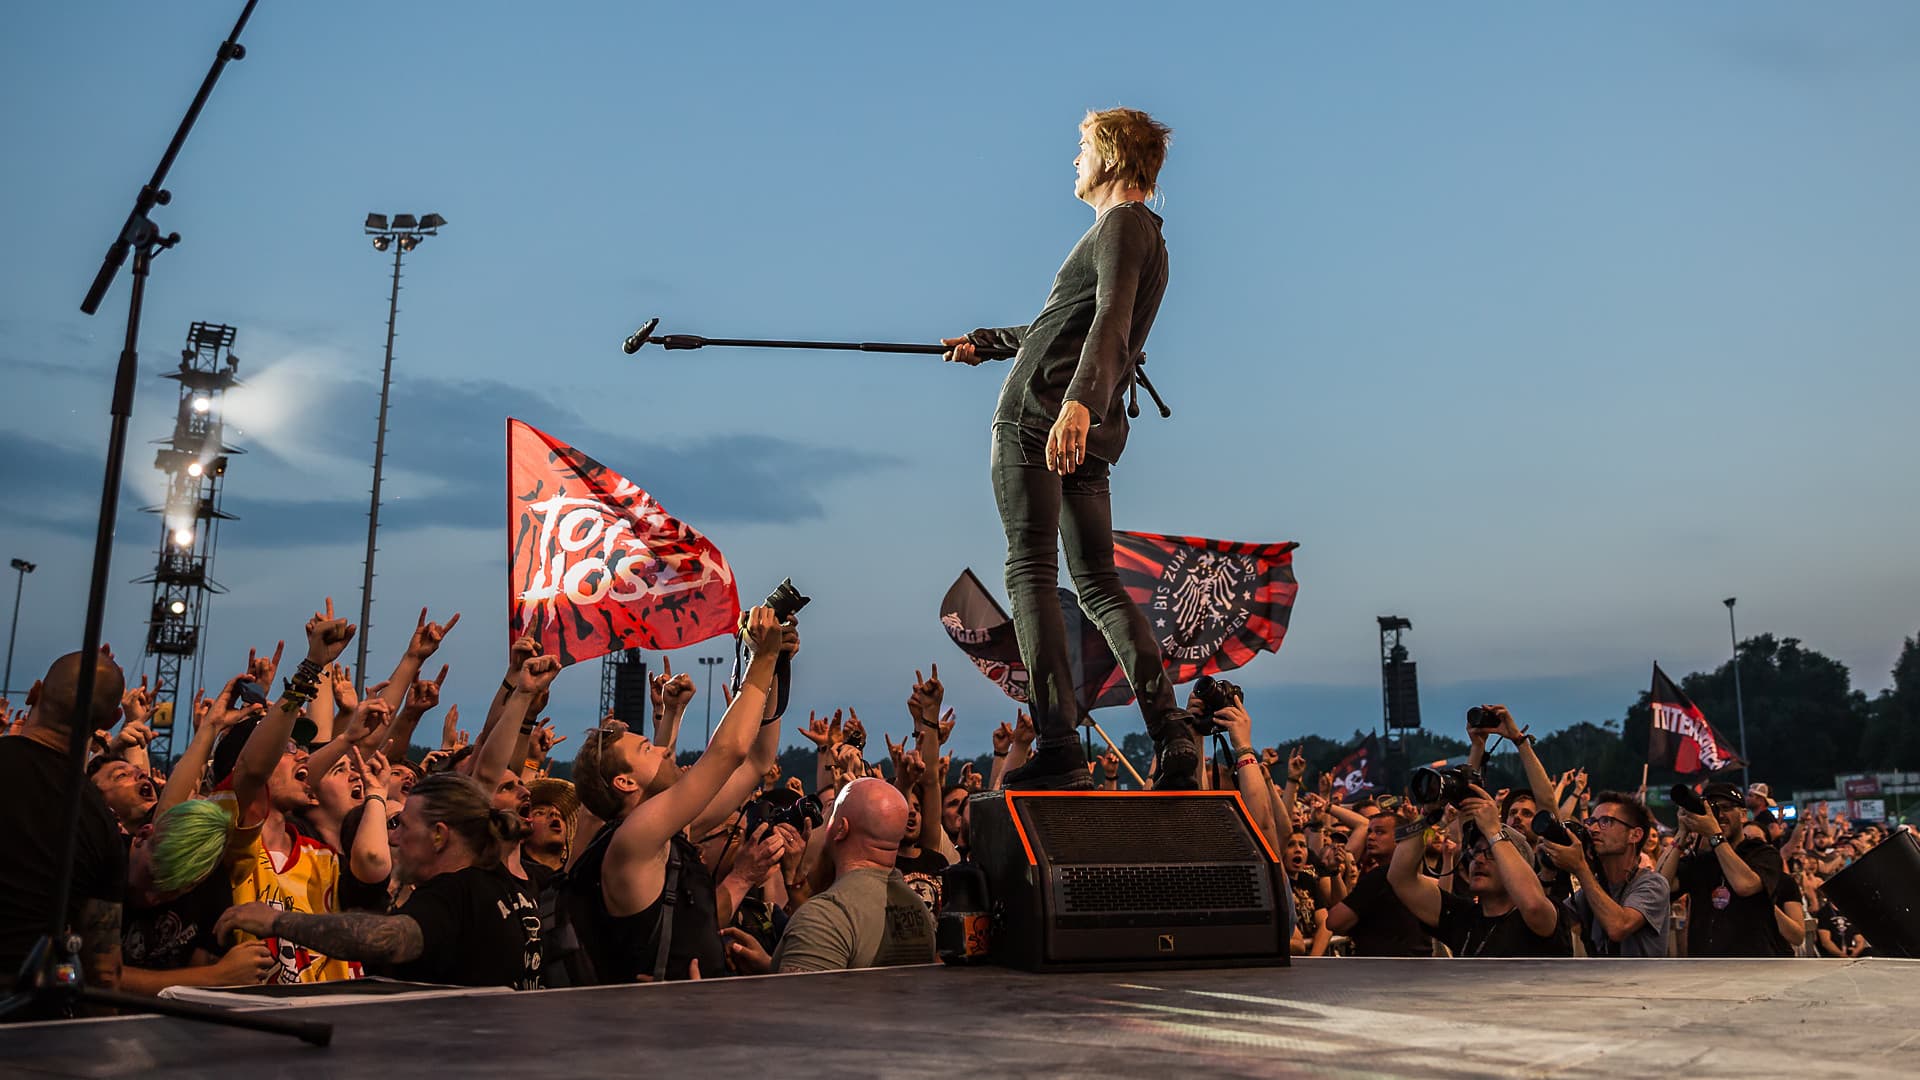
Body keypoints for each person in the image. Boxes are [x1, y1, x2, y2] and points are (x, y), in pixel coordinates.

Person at [943, 107, 1193, 790]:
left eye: (1082, 148)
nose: (1074, 162)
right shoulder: (1145, 235)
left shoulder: (1119, 224)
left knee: (1030, 573)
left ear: (1109, 156)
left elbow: (1110, 319)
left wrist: (1076, 402)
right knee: (1099, 584)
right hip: (1086, 424)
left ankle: (1058, 746)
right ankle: (1172, 734)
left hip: (1043, 419)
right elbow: (1070, 322)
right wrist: (988, 341)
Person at [560, 605, 791, 983]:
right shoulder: (632, 839)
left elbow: (756, 762)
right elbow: (728, 751)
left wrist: (777, 667)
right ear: (625, 783)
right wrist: (761, 657)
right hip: (651, 1032)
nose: (665, 749)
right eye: (646, 749)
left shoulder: (671, 833)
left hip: (686, 1021)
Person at [215, 773, 542, 989]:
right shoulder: (505, 885)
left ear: (439, 836)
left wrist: (277, 920)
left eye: (404, 826)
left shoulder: (455, 892)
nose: (394, 839)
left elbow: (388, 939)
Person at [0, 651, 129, 1010]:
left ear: (34, 692)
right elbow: (104, 972)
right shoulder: (99, 819)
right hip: (26, 1022)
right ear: (113, 719)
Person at [731, 778, 935, 974]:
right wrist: (771, 966)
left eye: (831, 816)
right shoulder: (918, 909)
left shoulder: (823, 917)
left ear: (841, 829)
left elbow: (796, 1003)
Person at [1389, 785, 1572, 958]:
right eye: (1476, 851)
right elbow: (1400, 878)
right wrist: (1428, 815)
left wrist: (1494, 831)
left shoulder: (1550, 912)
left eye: (1492, 853)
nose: (1479, 859)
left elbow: (1533, 906)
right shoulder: (1461, 916)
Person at [120, 800, 277, 993]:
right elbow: (98, 976)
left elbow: (203, 972)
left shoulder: (211, 882)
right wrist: (217, 976)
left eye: (175, 891)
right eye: (152, 878)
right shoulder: (101, 858)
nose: (152, 898)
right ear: (142, 835)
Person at [1659, 782, 1783, 957]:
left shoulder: (1763, 853)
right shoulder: (1702, 859)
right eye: (1711, 809)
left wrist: (1714, 835)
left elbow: (1745, 885)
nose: (1719, 815)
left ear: (1743, 815)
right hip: (1705, 967)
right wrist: (1682, 832)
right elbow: (1660, 886)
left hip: (1753, 966)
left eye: (1725, 808)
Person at [1539, 792, 1670, 957]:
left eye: (1606, 822)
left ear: (1635, 835)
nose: (1593, 829)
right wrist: (1548, 870)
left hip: (1642, 982)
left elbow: (1619, 927)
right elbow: (1548, 923)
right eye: (1591, 822)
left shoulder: (1653, 884)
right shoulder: (1595, 889)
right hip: (1603, 982)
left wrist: (1580, 868)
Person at [1326, 809, 1431, 957]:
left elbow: (1334, 922)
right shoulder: (1411, 875)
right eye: (1369, 832)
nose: (1371, 837)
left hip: (1385, 971)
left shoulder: (1380, 877)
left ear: (1400, 838)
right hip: (1415, 968)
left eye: (1380, 832)